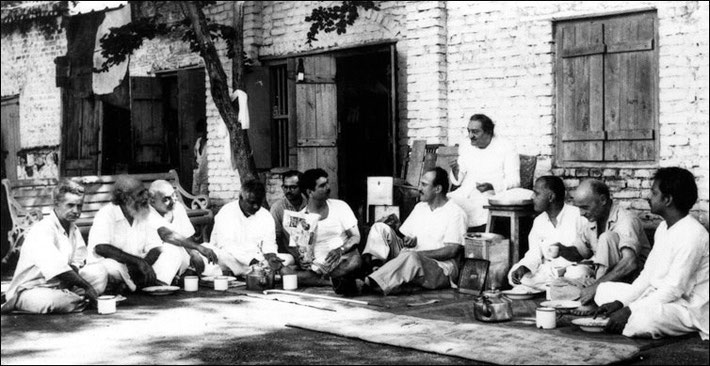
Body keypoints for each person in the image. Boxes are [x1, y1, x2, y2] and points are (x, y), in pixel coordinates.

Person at [594, 167, 708, 340]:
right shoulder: (663, 227)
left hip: (686, 307)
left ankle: (631, 321)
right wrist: (620, 303)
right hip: (658, 297)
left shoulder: (693, 234)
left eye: (654, 193)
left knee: (643, 319)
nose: (649, 197)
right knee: (603, 290)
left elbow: (674, 289)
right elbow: (647, 276)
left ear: (668, 199)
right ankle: (628, 318)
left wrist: (630, 309)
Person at [1, 179, 103, 314]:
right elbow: (58, 268)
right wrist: (87, 286)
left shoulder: (73, 228)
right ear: (56, 204)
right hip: (32, 289)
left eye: (79, 206)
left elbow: (77, 262)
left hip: (61, 285)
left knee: (100, 273)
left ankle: (77, 299)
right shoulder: (43, 229)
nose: (76, 211)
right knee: (61, 300)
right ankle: (79, 299)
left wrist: (72, 282)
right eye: (70, 205)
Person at [361, 167, 467, 295]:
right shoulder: (420, 207)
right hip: (410, 258)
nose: (419, 189)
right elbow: (408, 237)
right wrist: (410, 241)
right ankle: (375, 268)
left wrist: (418, 254)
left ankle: (368, 283)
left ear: (437, 189)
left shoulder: (455, 213)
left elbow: (452, 250)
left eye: (424, 185)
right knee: (380, 228)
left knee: (411, 256)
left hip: (439, 268)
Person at [86, 176, 191, 292]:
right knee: (110, 268)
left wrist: (144, 265)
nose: (146, 197)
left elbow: (156, 247)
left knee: (172, 251)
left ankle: (155, 285)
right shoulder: (106, 213)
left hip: (138, 266)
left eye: (145, 192)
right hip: (117, 265)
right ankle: (141, 285)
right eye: (140, 194)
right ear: (125, 197)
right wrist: (138, 262)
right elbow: (101, 248)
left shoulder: (143, 211)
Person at [559, 179, 652, 305]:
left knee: (607, 238)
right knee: (556, 286)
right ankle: (591, 300)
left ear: (603, 200)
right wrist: (561, 250)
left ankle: (592, 300)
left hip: (629, 284)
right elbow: (580, 253)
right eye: (579, 208)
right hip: (603, 281)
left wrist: (596, 286)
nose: (581, 213)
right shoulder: (593, 221)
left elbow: (630, 263)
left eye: (585, 207)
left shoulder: (626, 220)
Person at [508, 176, 589, 290]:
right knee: (515, 275)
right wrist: (524, 267)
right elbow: (533, 254)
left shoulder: (578, 216)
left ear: (551, 197)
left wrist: (563, 251)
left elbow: (589, 253)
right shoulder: (538, 221)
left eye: (536, 194)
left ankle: (553, 288)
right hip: (549, 272)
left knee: (578, 273)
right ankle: (558, 288)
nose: (532, 198)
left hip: (572, 270)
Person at [204, 179, 294, 276]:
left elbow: (269, 244)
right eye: (251, 202)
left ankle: (256, 270)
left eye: (259, 202)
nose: (255, 206)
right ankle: (258, 270)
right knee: (221, 255)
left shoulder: (266, 215)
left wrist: (271, 256)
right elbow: (227, 245)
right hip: (231, 257)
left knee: (289, 258)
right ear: (240, 197)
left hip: (258, 258)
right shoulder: (226, 212)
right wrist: (251, 261)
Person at [294, 168, 363, 296]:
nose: (328, 187)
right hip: (318, 265)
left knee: (355, 260)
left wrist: (341, 250)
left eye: (327, 183)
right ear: (310, 192)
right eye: (322, 185)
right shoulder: (301, 218)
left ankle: (327, 280)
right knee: (287, 273)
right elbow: (300, 249)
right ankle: (333, 282)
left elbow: (355, 236)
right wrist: (303, 260)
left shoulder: (340, 206)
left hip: (343, 259)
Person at [448, 114, 520, 230]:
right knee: (444, 204)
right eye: (469, 131)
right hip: (465, 193)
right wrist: (456, 170)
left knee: (478, 211)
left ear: (488, 132)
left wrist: (493, 186)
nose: (471, 136)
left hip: (490, 196)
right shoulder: (466, 145)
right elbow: (458, 181)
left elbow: (515, 181)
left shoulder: (506, 146)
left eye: (475, 132)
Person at [148, 180, 218, 275]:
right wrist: (198, 247)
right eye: (166, 199)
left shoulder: (178, 207)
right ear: (152, 201)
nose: (173, 201)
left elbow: (188, 235)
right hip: (157, 259)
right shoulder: (147, 213)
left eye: (174, 195)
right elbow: (167, 235)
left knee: (209, 253)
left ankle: (186, 274)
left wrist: (194, 253)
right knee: (172, 250)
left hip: (181, 252)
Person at [270, 170, 307, 258]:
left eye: (293, 187)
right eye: (285, 187)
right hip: (291, 257)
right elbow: (276, 238)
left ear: (301, 187)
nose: (288, 191)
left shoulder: (310, 204)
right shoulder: (277, 208)